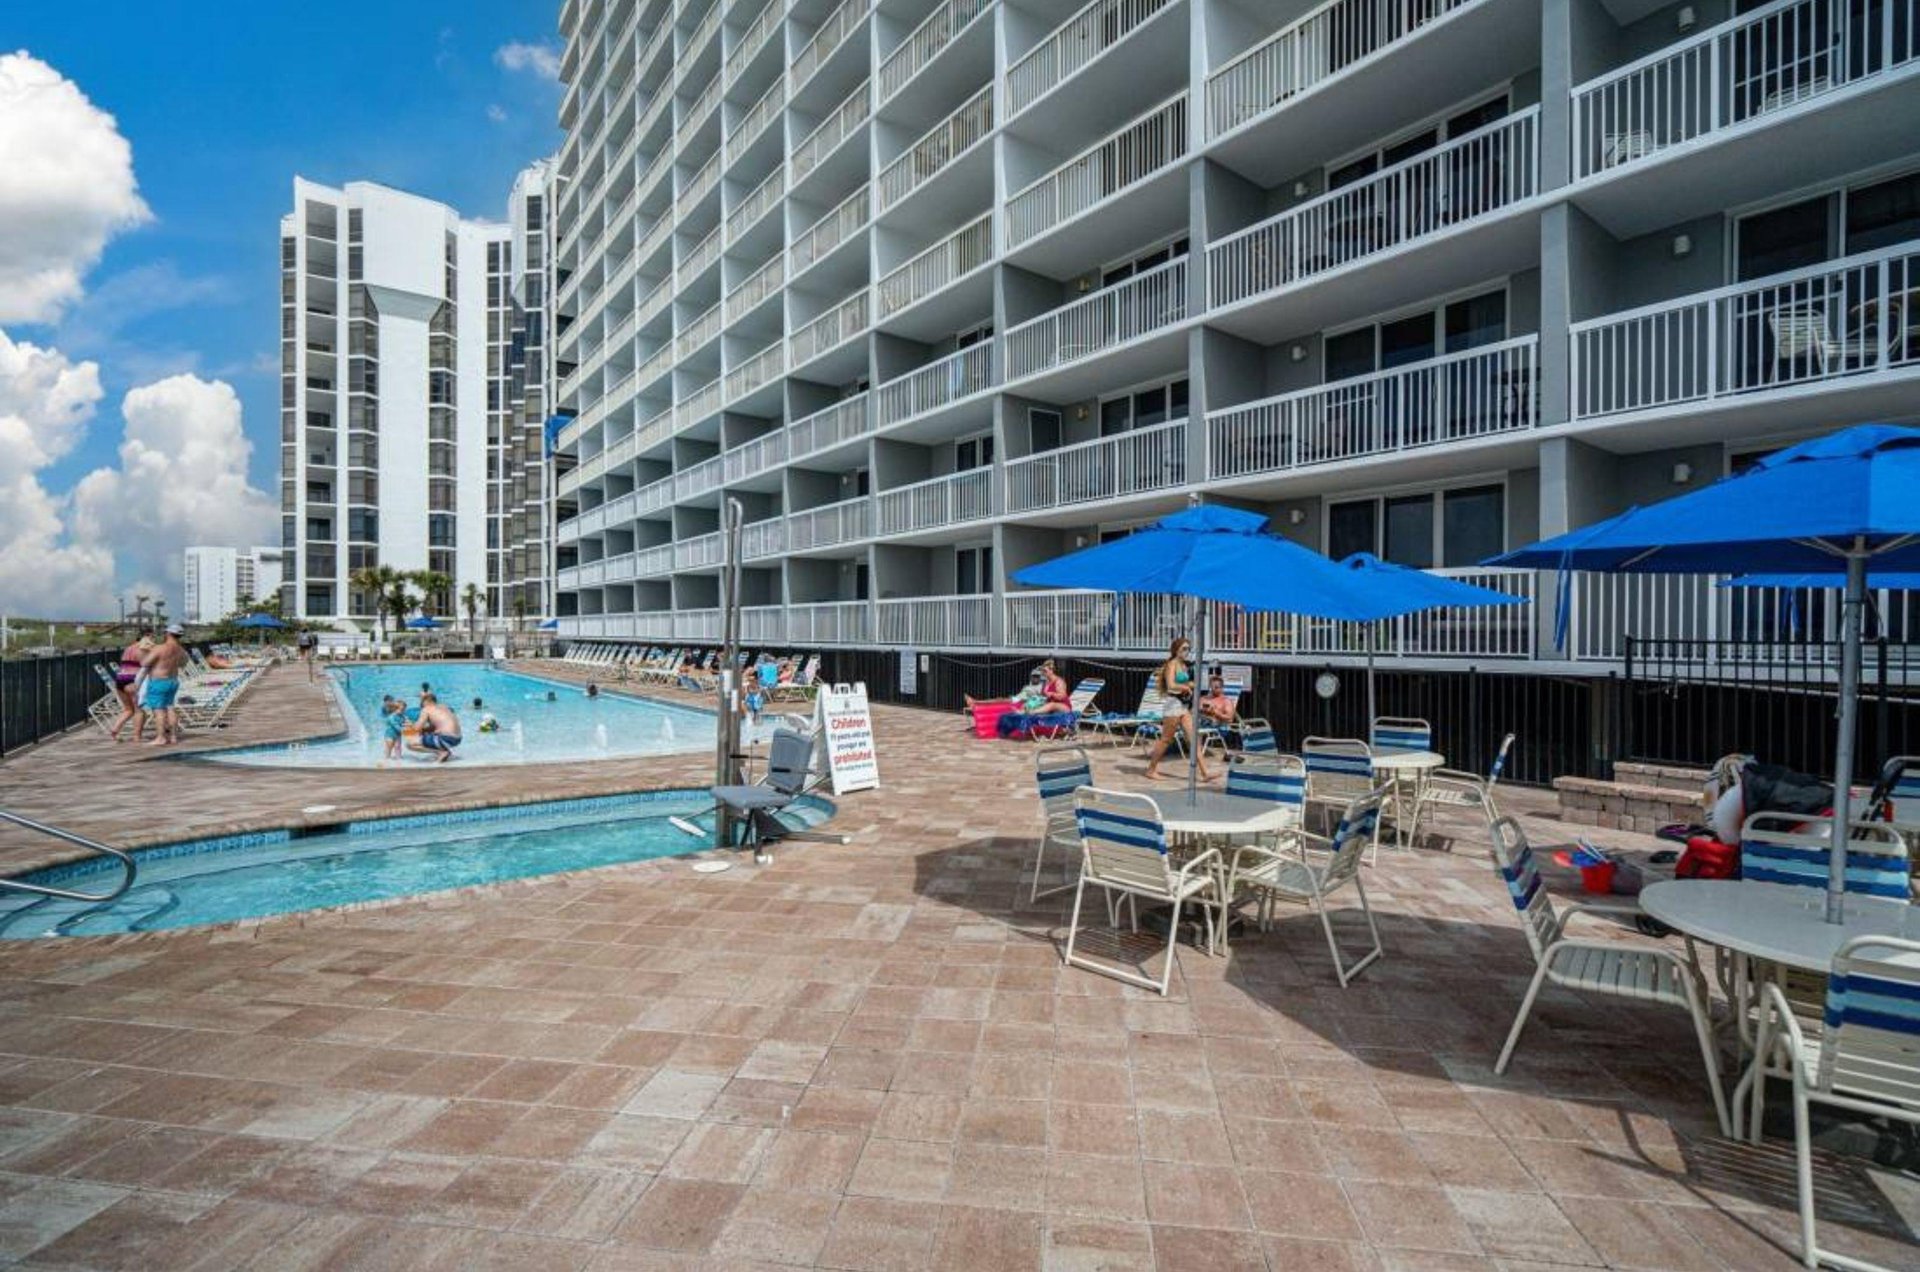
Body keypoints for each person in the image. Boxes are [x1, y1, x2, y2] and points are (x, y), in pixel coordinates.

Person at [1143, 636, 1214, 782]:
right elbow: (1170, 685)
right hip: (1173, 705)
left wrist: (1191, 684)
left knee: (1193, 739)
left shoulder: (1183, 665)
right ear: (1176, 650)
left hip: (1183, 706)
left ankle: (1205, 773)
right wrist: (1186, 687)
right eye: (1184, 649)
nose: (1187, 651)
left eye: (1188, 648)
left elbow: (1183, 682)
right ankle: (1151, 769)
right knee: (1166, 740)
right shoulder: (1172, 664)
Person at [141, 624, 192, 747]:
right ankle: (173, 737)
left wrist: (147, 653)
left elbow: (145, 663)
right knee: (170, 707)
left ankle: (161, 737)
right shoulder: (181, 650)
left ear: (168, 634)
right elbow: (183, 664)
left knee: (159, 711)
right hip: (173, 681)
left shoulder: (160, 648)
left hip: (159, 681)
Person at [109, 629, 152, 742]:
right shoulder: (142, 649)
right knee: (139, 710)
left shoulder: (128, 648)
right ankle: (137, 737)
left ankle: (115, 730)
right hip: (133, 679)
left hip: (120, 678)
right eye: (151, 638)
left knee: (128, 709)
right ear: (146, 637)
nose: (152, 640)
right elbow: (146, 664)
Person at [407, 691, 462, 762]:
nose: (420, 705)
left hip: (446, 738)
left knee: (410, 744)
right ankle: (444, 753)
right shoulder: (445, 707)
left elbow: (417, 728)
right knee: (427, 734)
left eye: (421, 703)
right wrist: (425, 730)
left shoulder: (426, 709)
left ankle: (441, 752)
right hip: (457, 739)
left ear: (425, 701)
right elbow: (437, 727)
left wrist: (409, 727)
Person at [380, 696, 408, 762]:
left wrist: (408, 725)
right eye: (401, 710)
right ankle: (386, 759)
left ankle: (399, 759)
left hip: (398, 735)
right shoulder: (391, 717)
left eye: (404, 710)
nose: (403, 711)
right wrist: (403, 730)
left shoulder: (402, 716)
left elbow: (406, 723)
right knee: (389, 746)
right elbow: (395, 725)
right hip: (389, 735)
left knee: (398, 747)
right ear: (395, 709)